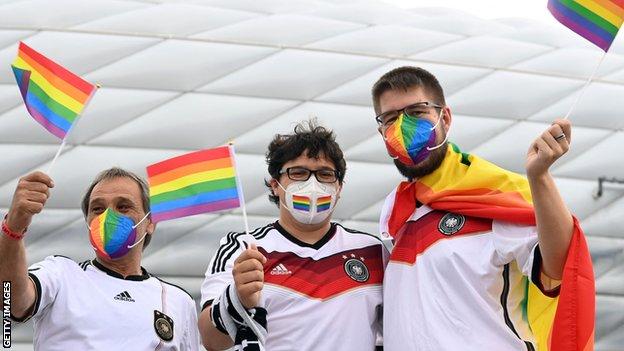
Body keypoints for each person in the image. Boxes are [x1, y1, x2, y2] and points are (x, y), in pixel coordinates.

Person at [371, 67, 594, 350]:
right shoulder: (393, 209)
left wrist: (540, 178)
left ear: (445, 118)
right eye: (391, 118)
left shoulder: (493, 189)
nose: (403, 127)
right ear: (381, 131)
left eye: (417, 112)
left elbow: (560, 265)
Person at [198, 122, 384, 351]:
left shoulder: (373, 251)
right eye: (298, 173)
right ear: (275, 185)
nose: (312, 184)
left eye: (325, 174)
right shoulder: (242, 248)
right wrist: (237, 297)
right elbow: (211, 340)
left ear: (339, 187)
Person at [1, 167, 200, 350]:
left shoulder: (179, 300)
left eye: (123, 207)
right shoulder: (60, 274)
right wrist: (14, 227)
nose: (108, 217)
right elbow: (10, 300)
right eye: (97, 209)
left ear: (149, 223)